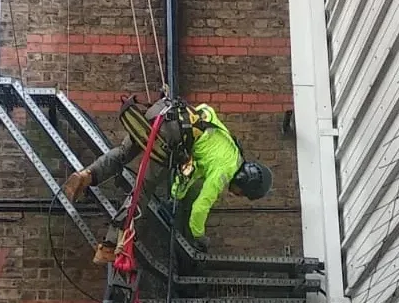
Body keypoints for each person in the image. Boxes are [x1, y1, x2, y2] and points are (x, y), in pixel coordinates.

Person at [62, 96, 274, 265]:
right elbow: (200, 208)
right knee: (143, 190)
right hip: (169, 137)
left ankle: (86, 175)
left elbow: (193, 167)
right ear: (245, 183)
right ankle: (109, 245)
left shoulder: (227, 145)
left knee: (123, 153)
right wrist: (199, 237)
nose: (237, 194)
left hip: (161, 113)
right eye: (242, 193)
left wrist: (176, 193)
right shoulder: (224, 171)